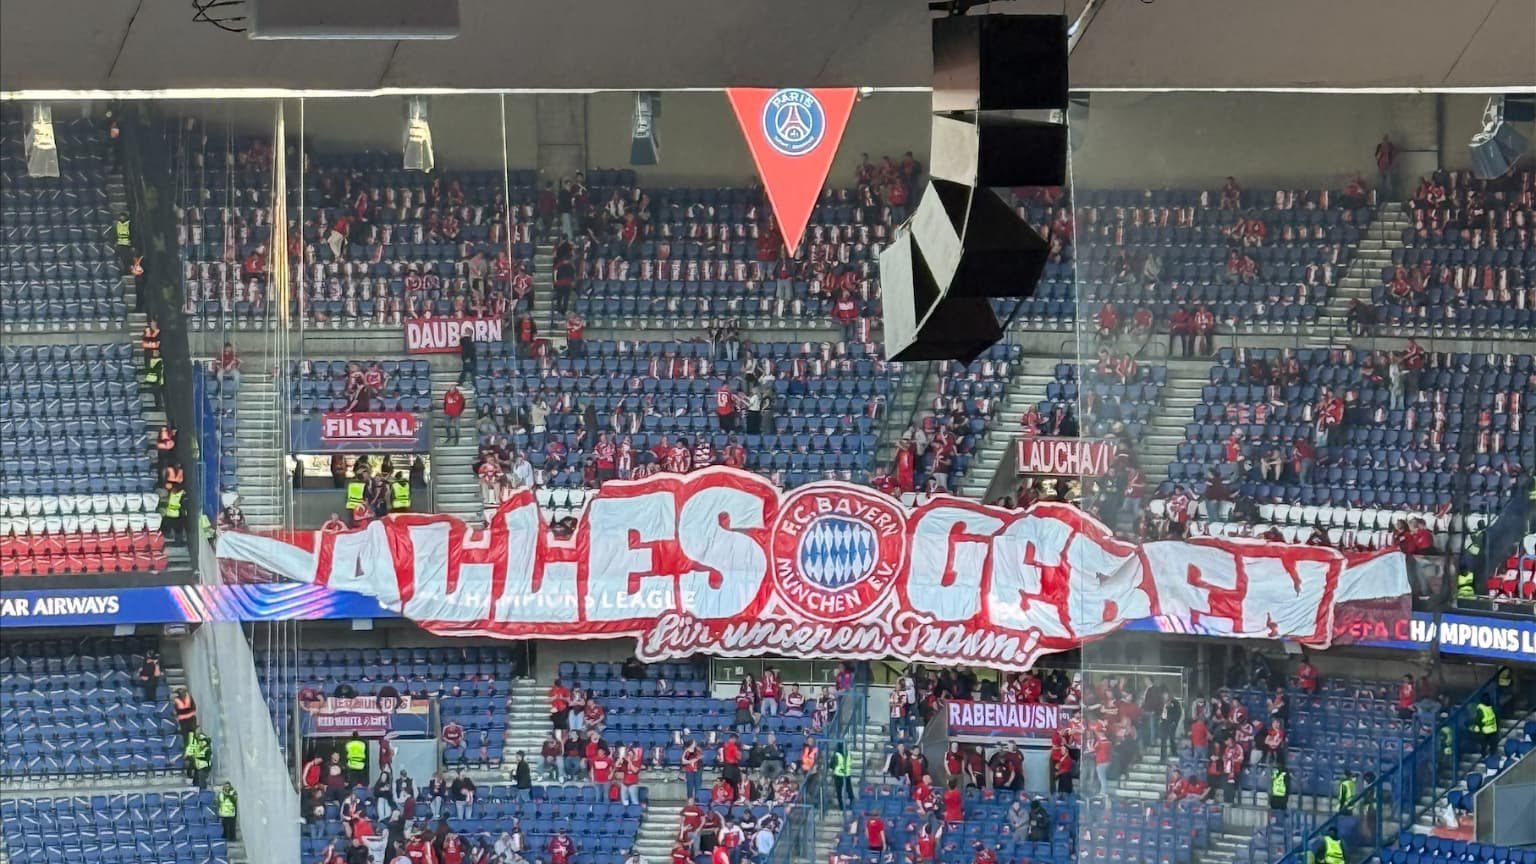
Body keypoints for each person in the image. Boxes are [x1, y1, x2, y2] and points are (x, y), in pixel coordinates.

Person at [832, 744, 853, 812]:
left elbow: (832, 765)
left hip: (843, 774)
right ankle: (845, 805)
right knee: (845, 790)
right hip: (842, 774)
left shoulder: (837, 754)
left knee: (845, 791)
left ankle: (845, 805)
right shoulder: (840, 754)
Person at [1375, 134, 1396, 200]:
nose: (1385, 141)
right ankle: (1382, 198)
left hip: (1388, 167)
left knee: (1388, 184)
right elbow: (1377, 157)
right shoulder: (1379, 146)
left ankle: (1389, 199)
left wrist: (1393, 166)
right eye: (1384, 139)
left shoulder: (1390, 146)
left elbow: (1394, 156)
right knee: (1381, 184)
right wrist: (1381, 151)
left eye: (1386, 139)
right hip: (1381, 167)